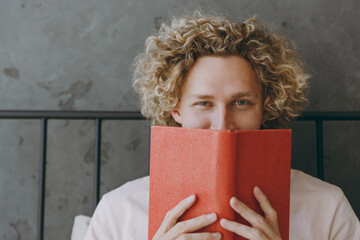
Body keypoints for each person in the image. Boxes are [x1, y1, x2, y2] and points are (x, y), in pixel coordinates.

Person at [84, 12, 360, 239]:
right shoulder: (118, 211)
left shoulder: (326, 206)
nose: (222, 125)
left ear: (266, 108)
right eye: (203, 103)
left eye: (241, 103)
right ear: (175, 109)